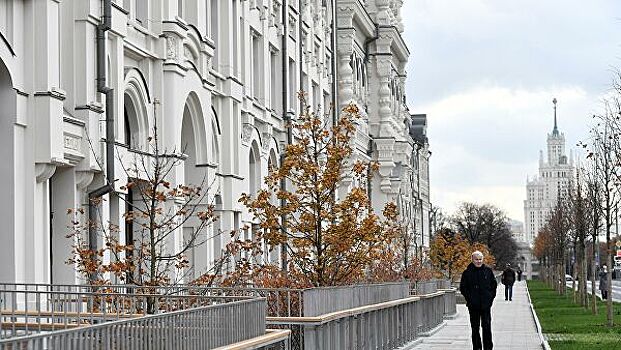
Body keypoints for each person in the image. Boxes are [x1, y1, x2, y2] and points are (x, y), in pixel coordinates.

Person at [460, 251, 498, 350]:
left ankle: (488, 348)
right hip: (473, 306)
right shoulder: (467, 272)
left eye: (480, 259)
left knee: (487, 327)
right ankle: (477, 348)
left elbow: (493, 286)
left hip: (486, 305)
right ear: (472, 259)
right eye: (476, 259)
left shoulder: (488, 271)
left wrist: (490, 298)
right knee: (475, 328)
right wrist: (470, 299)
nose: (478, 261)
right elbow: (463, 288)